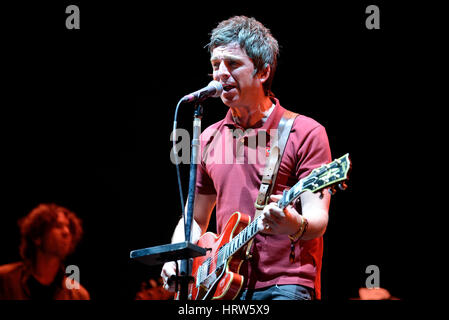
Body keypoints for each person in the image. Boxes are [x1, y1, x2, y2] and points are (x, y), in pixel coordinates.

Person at [161, 16, 332, 300]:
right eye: (216, 65)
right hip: (221, 284)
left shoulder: (305, 132)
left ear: (263, 73)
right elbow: (195, 219)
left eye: (233, 64)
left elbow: (318, 218)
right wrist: (178, 257)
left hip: (286, 283)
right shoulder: (208, 138)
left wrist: (294, 225)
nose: (221, 73)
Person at [0, 203, 90, 299]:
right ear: (37, 236)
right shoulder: (5, 280)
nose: (66, 232)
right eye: (58, 226)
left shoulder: (77, 295)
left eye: (69, 227)